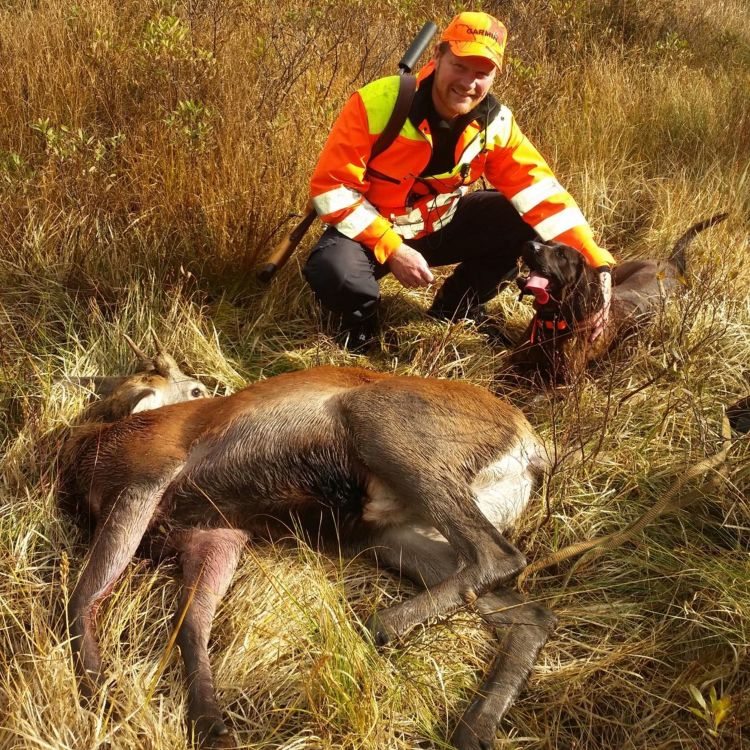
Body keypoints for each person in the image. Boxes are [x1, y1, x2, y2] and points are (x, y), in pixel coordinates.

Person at [304, 11, 615, 350]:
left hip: (439, 225)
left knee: (522, 220)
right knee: (335, 271)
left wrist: (597, 264)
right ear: (437, 56)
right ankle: (360, 332)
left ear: (495, 75)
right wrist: (392, 249)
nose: (468, 82)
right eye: (460, 66)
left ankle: (455, 309)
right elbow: (332, 189)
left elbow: (543, 196)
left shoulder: (496, 124)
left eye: (482, 73)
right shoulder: (377, 103)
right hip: (374, 232)